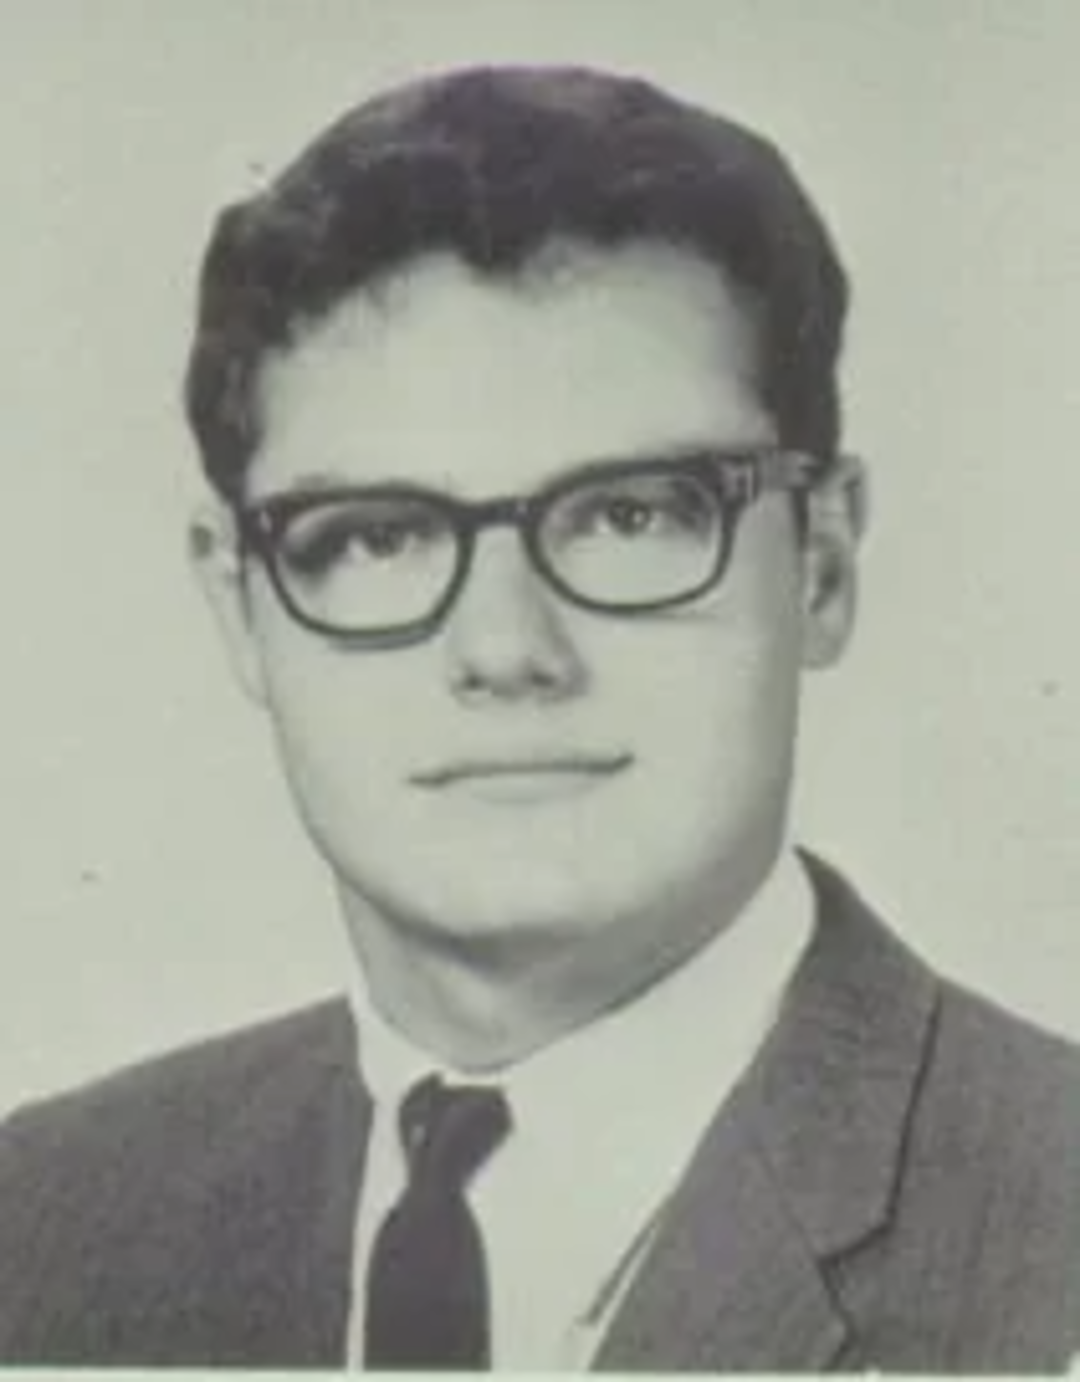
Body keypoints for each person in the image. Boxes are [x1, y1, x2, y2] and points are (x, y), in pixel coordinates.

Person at [0, 63, 1077, 1373]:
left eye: (632, 515)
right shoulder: (39, 1227)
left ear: (824, 563)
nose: (506, 651)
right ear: (240, 606)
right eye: (376, 535)